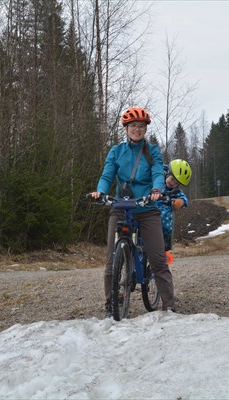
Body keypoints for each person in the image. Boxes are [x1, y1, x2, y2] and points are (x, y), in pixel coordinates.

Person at [90, 107, 175, 316]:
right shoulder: (116, 151)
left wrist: (157, 189)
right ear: (126, 128)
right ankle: (111, 301)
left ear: (145, 129)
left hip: (146, 207)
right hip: (121, 207)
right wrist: (100, 192)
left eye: (141, 126)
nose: (137, 129)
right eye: (133, 126)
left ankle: (169, 305)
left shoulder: (152, 151)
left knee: (157, 260)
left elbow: (157, 171)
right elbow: (107, 175)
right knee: (111, 258)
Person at [158, 159, 191, 252]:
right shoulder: (158, 174)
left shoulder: (175, 191)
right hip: (147, 203)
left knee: (166, 216)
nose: (173, 183)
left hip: (162, 208)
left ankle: (165, 242)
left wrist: (180, 202)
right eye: (172, 179)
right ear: (168, 172)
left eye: (176, 183)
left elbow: (184, 199)